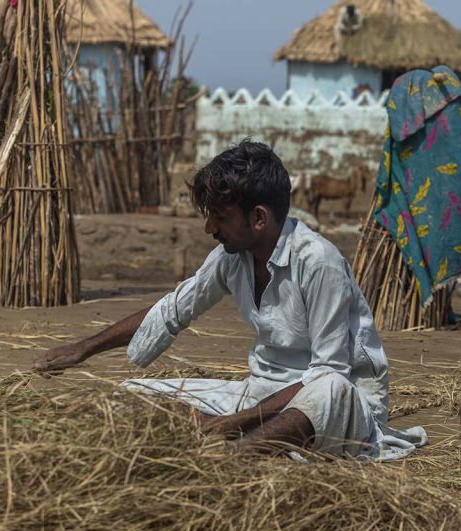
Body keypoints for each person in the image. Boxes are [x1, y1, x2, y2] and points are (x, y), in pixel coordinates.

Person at [32, 140, 425, 459]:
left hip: (343, 410)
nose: (209, 228)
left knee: (328, 389)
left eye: (219, 217)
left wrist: (234, 423)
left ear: (258, 218)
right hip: (261, 396)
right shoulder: (230, 259)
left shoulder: (318, 261)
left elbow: (328, 374)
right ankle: (243, 437)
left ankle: (233, 456)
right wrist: (82, 350)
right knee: (133, 393)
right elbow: (172, 309)